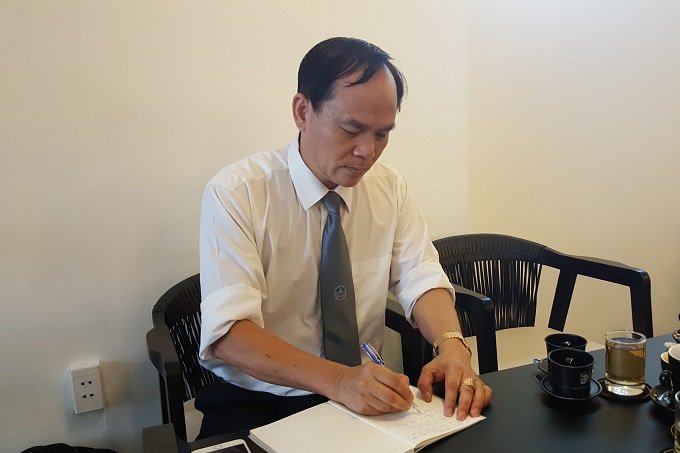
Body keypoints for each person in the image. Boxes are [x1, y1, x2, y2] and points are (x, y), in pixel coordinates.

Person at [196, 36, 492, 439]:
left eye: (382, 134)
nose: (367, 152)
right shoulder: (237, 192)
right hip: (262, 398)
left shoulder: (389, 188)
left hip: (364, 393)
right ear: (303, 111)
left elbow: (420, 276)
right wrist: (338, 381)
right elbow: (229, 333)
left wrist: (453, 346)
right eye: (352, 129)